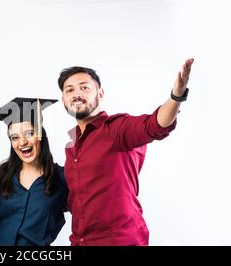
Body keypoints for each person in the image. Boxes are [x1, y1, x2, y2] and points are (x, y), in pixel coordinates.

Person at [58, 58, 195, 246]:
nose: (76, 94)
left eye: (84, 87)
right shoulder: (72, 146)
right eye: (69, 90)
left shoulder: (116, 129)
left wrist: (176, 97)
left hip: (119, 240)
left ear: (100, 93)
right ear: (64, 100)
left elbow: (154, 125)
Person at [0, 97, 68, 246]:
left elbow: (86, 213)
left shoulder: (62, 178)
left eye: (29, 133)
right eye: (14, 137)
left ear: (40, 135)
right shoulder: (1, 175)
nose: (22, 142)